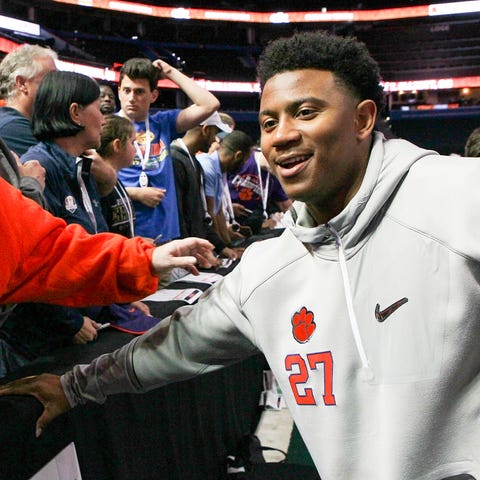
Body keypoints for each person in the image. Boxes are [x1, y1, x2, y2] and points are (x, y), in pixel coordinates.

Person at [2, 30, 480, 480]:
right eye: (269, 122)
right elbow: (173, 348)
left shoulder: (456, 197)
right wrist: (72, 387)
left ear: (362, 119)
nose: (281, 136)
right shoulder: (269, 271)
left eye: (306, 112)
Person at [116, 57, 220, 242]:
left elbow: (209, 104)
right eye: (127, 90)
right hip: (126, 234)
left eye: (139, 92)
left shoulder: (162, 123)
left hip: (166, 232)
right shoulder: (106, 127)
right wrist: (134, 193)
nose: (131, 98)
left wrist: (170, 72)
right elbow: (95, 181)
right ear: (119, 91)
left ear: (153, 95)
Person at [170, 111, 239, 262]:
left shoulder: (193, 162)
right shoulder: (174, 160)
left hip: (193, 253)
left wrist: (221, 247)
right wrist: (194, 254)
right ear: (206, 130)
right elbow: (178, 216)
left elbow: (199, 215)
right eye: (215, 133)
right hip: (182, 256)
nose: (217, 140)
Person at [196, 130, 254, 245]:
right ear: (238, 156)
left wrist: (229, 245)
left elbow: (219, 213)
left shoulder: (221, 171)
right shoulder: (208, 168)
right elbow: (211, 214)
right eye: (244, 161)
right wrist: (222, 249)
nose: (243, 166)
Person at [228, 147, 291, 234]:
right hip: (223, 217)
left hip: (246, 225)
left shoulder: (274, 177)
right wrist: (228, 207)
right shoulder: (245, 159)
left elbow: (286, 205)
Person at [97, 114, 137, 237]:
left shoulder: (115, 179)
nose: (136, 149)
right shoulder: (101, 182)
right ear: (117, 146)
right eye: (132, 142)